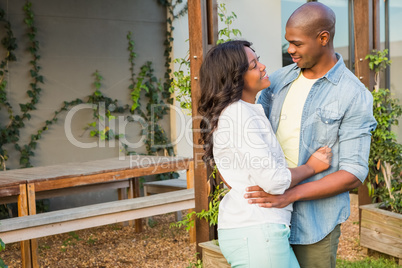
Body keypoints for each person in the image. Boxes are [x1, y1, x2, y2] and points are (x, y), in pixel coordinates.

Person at [244, 3, 377, 268]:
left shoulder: (353, 94)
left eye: (297, 43)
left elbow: (353, 171)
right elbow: (253, 136)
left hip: (314, 223)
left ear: (323, 38)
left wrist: (289, 195)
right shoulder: (277, 81)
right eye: (288, 42)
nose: (290, 49)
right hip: (267, 216)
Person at [198, 40, 332, 268]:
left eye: (257, 59)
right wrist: (312, 167)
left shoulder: (245, 111)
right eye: (253, 65)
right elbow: (274, 181)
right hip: (257, 233)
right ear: (235, 77)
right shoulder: (238, 115)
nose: (262, 66)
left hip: (259, 232)